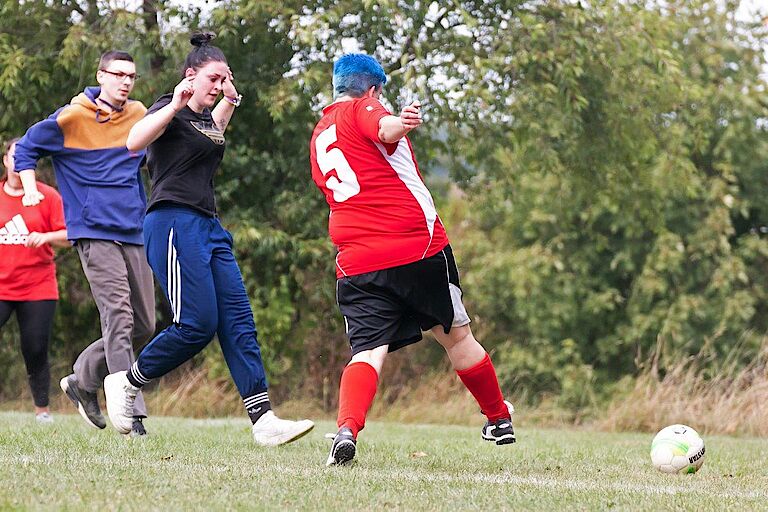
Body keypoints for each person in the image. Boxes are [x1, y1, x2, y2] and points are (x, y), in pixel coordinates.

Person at [103, 33, 313, 446]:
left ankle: (263, 420)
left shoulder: (203, 120)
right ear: (190, 76)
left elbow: (212, 133)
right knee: (197, 325)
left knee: (238, 322)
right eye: (213, 79)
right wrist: (176, 103)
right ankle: (127, 382)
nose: (218, 85)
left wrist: (231, 99)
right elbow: (133, 141)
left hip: (209, 226)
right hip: (173, 222)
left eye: (223, 78)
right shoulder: (170, 107)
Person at [309, 54, 516, 466]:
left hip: (357, 260)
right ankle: (498, 418)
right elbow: (382, 126)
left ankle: (347, 429)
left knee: (367, 352)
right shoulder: (365, 107)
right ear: (372, 90)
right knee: (456, 336)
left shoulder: (319, 134)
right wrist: (400, 122)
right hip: (416, 247)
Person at [14, 51, 156, 436]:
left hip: (133, 229)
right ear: (101, 75)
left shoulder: (138, 113)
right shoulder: (72, 117)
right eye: (118, 74)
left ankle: (83, 379)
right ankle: (131, 414)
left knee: (144, 322)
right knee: (119, 316)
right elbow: (26, 148)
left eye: (131, 76)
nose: (125, 82)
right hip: (93, 231)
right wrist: (29, 188)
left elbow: (155, 152)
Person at [0, 138, 68, 424]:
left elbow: (70, 235)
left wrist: (46, 236)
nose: (18, 164)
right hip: (2, 286)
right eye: (14, 157)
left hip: (37, 287)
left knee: (35, 347)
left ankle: (42, 411)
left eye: (24, 158)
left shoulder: (47, 196)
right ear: (5, 160)